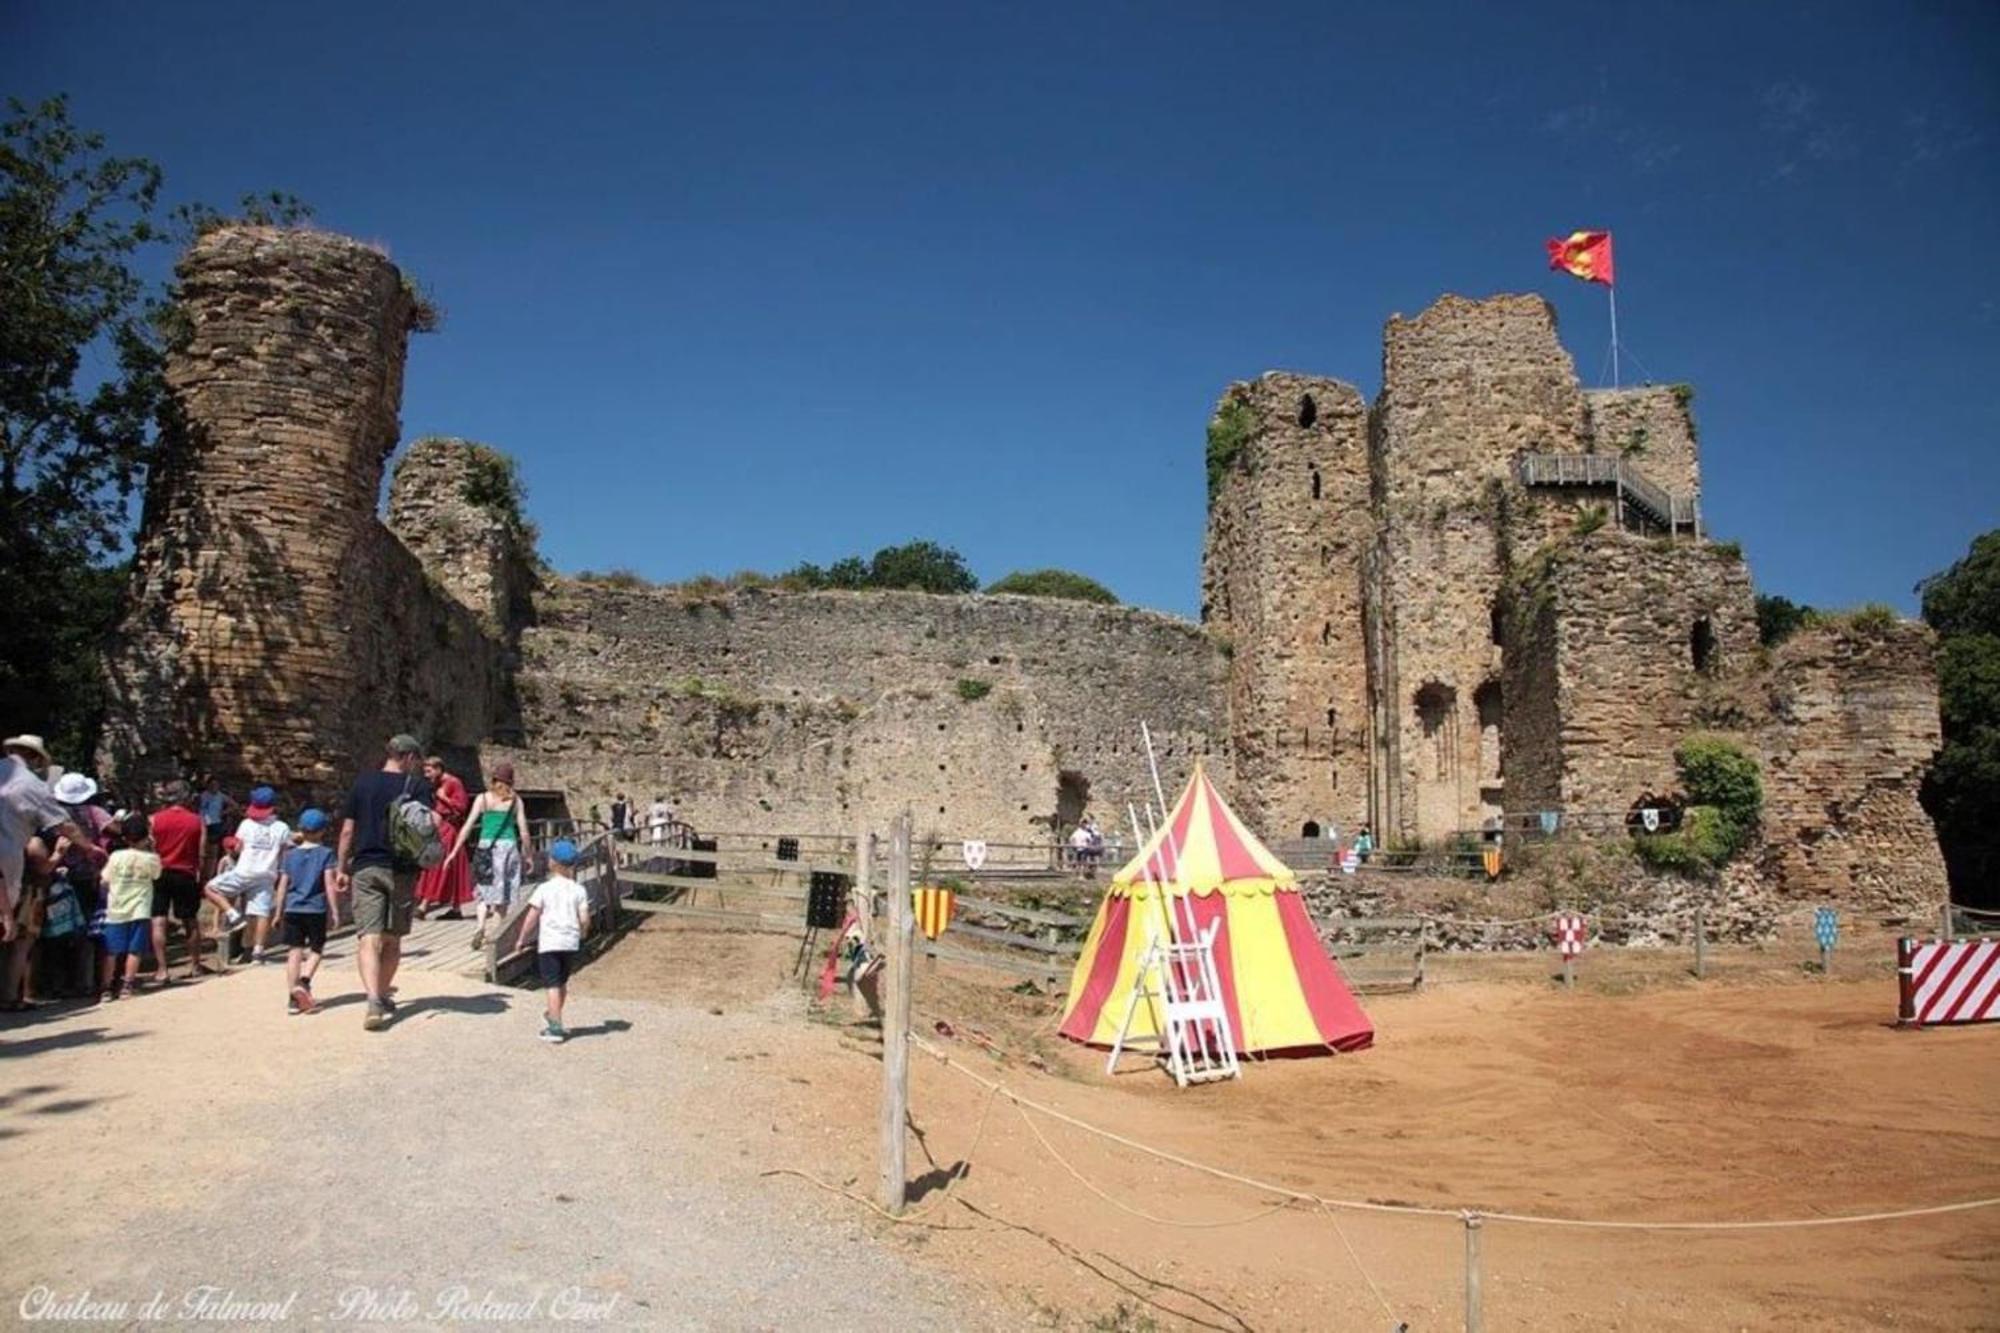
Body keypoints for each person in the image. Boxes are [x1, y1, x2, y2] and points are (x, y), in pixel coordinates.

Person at [336, 733, 434, 1032]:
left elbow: (347, 830)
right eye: (416, 760)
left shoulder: (363, 783)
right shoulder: (417, 786)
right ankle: (380, 992)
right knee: (392, 939)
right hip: (402, 870)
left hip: (366, 866)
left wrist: (341, 867)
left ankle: (373, 999)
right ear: (408, 757)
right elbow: (429, 826)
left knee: (368, 937)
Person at [450, 762, 531, 952]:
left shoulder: (482, 799)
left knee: (483, 891)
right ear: (511, 781)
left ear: (493, 779)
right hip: (508, 847)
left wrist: (454, 851)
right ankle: (494, 935)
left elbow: (468, 825)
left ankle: (480, 927)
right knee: (502, 896)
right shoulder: (516, 801)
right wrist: (529, 855)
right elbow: (524, 831)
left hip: (485, 847)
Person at [517, 838, 592, 1043]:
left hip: (550, 942)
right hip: (570, 942)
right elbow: (585, 918)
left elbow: (532, 915)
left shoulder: (544, 888)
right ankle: (554, 1016)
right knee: (561, 982)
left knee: (551, 984)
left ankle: (555, 1027)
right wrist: (583, 932)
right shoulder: (579, 889)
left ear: (551, 862)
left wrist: (522, 938)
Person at [211, 786, 290, 962]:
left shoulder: (246, 824)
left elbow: (238, 847)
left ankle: (233, 914)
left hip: (244, 870)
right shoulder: (282, 827)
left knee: (211, 888)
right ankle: (258, 952)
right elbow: (284, 851)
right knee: (262, 912)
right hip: (266, 873)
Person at [273, 808, 337, 1015]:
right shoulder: (326, 854)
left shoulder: (289, 856)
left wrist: (277, 911)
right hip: (315, 908)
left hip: (292, 907)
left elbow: (282, 884)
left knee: (294, 951)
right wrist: (334, 910)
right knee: (317, 949)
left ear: (301, 829)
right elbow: (329, 884)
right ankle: (304, 981)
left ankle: (293, 999)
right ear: (322, 831)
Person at [149, 779, 209, 982]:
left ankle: (162, 968)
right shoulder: (197, 821)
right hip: (187, 872)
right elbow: (202, 853)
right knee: (190, 920)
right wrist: (203, 876)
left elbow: (150, 848)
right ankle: (195, 965)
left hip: (159, 872)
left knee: (158, 920)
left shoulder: (154, 820)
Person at [100, 814, 160, 1001]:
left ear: (124, 838)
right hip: (139, 909)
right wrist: (152, 849)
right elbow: (156, 876)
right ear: (146, 836)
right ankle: (128, 985)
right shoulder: (151, 859)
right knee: (135, 950)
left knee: (112, 951)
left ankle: (107, 988)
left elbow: (105, 880)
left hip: (116, 909)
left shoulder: (116, 856)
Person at [413, 756, 473, 920]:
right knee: (446, 865)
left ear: (439, 768)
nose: (427, 775)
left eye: (429, 771)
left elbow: (461, 807)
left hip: (449, 828)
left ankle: (424, 905)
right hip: (440, 827)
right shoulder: (437, 784)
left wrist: (444, 798)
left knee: (438, 863)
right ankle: (455, 908)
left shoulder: (453, 783)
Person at [196, 778, 238, 874]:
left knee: (213, 851)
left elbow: (234, 806)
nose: (214, 787)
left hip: (215, 824)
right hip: (202, 823)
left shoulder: (221, 796)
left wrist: (224, 812)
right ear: (208, 785)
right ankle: (200, 871)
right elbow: (196, 808)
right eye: (212, 785)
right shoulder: (202, 796)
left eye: (216, 785)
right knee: (202, 849)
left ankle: (210, 873)